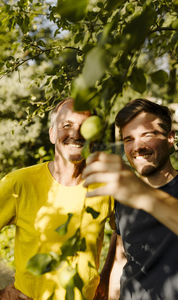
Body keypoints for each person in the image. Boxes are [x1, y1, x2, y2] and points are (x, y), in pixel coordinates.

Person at [83, 98, 178, 300]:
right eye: (129, 139)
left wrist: (142, 194)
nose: (138, 146)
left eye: (147, 134)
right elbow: (120, 262)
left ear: (170, 138)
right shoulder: (123, 198)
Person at [0, 97, 114, 300]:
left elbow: (123, 233)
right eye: (66, 125)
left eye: (84, 127)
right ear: (52, 133)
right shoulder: (19, 183)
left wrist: (106, 277)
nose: (75, 134)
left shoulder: (106, 185)